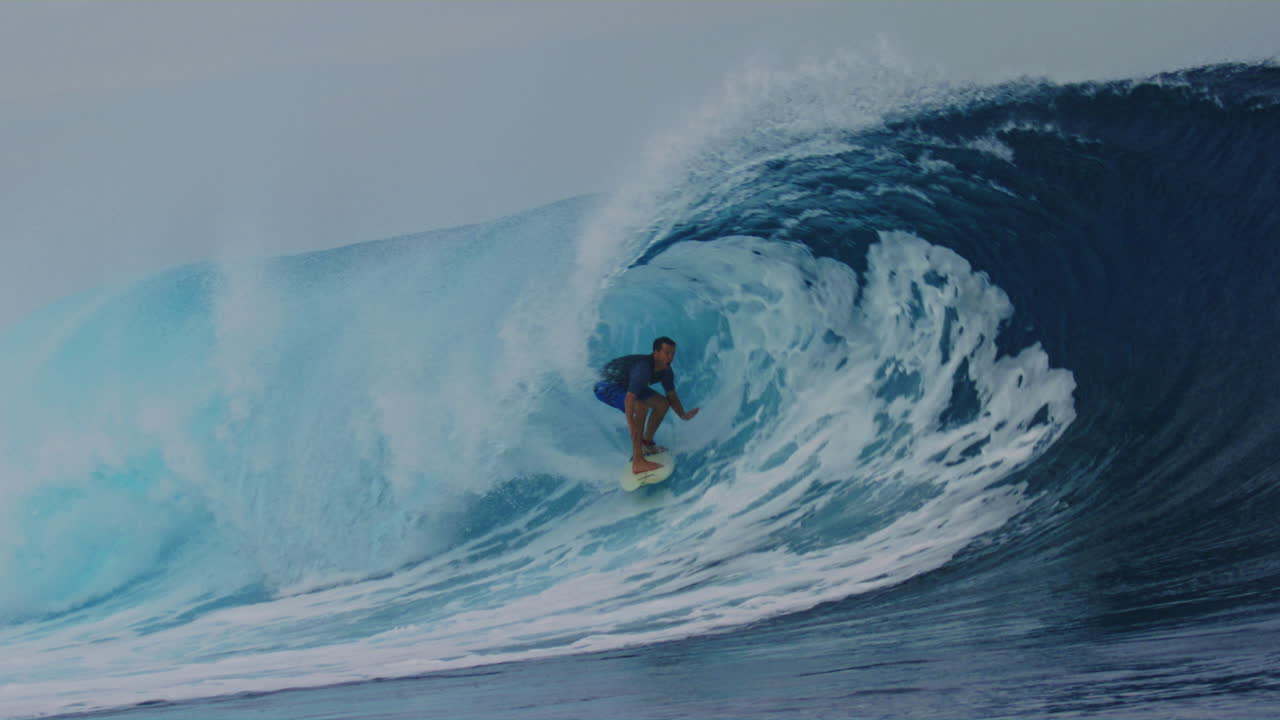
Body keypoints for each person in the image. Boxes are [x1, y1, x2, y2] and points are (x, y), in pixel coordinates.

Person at [594, 336, 700, 474]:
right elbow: (629, 400)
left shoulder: (666, 371)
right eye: (666, 353)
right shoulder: (643, 369)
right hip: (606, 384)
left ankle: (647, 443)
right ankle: (638, 461)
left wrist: (683, 415)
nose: (670, 357)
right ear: (656, 353)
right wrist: (632, 424)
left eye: (672, 353)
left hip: (627, 383)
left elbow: (671, 397)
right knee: (640, 407)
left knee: (662, 403)